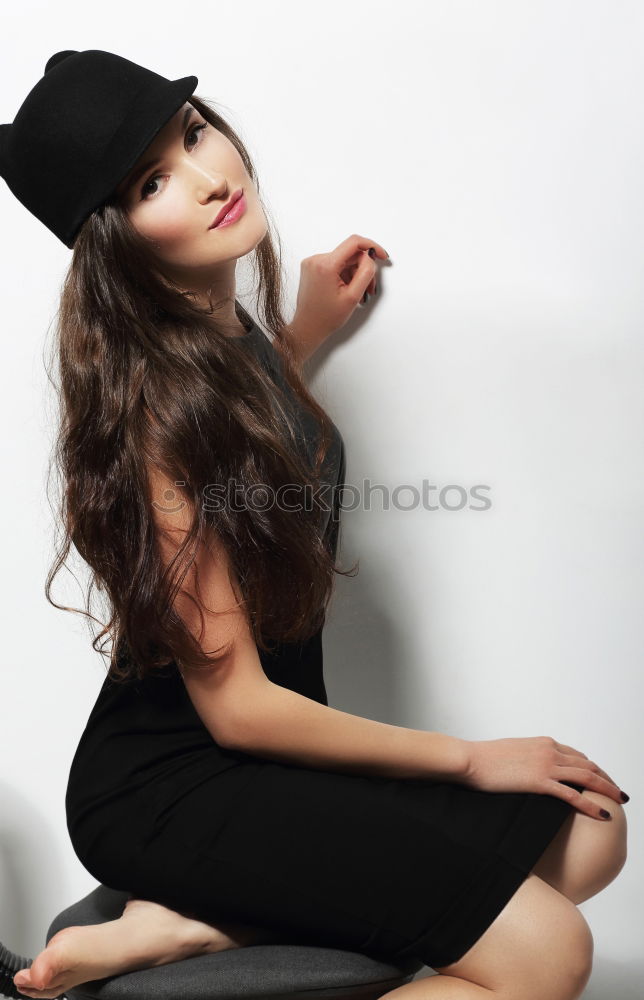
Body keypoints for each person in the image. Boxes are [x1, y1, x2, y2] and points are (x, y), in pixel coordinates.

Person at [0, 49, 628, 1000]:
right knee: (548, 954)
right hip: (174, 785)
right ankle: (192, 912)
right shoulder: (150, 423)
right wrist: (468, 757)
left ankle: (196, 927)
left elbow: (243, 445)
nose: (209, 177)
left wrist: (302, 334)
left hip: (256, 753)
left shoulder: (217, 336)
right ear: (114, 239)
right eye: (154, 182)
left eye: (194, 133)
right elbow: (239, 708)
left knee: (592, 827)